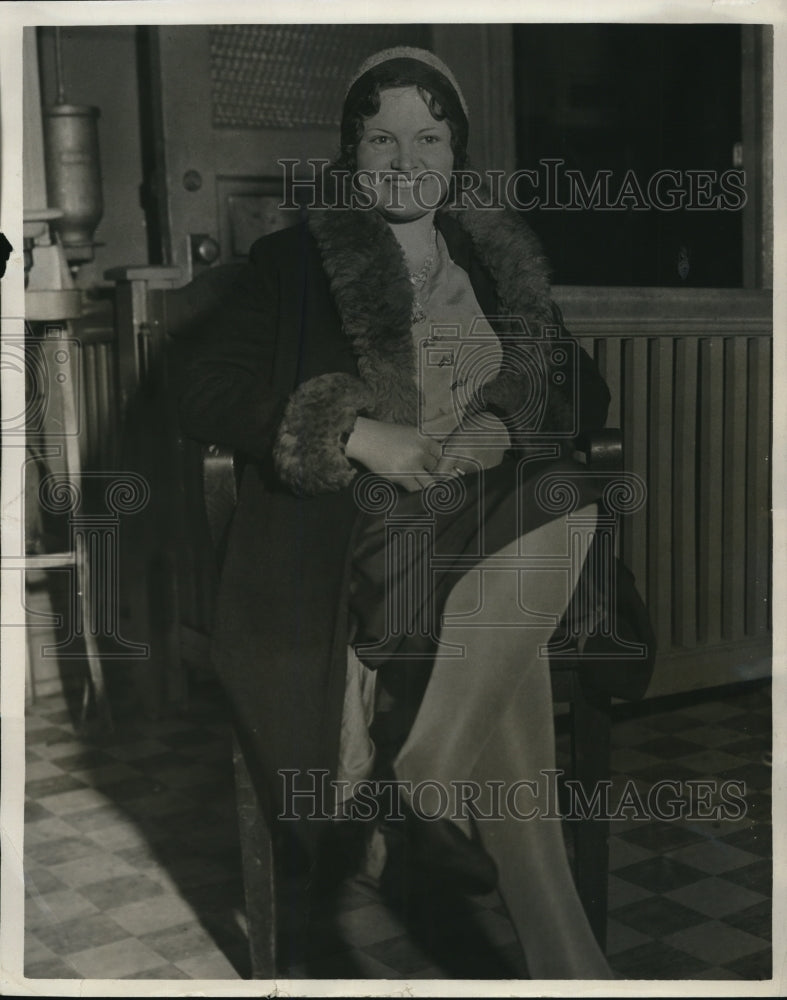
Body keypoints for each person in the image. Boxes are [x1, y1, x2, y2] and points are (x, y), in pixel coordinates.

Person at [179, 47, 617, 979]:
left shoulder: (494, 263)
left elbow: (582, 389)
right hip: (369, 532)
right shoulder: (294, 263)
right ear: (352, 154)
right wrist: (351, 432)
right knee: (545, 540)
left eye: (429, 138)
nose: (406, 161)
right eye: (382, 139)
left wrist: (502, 420)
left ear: (456, 153)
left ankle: (431, 781)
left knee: (554, 502)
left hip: (491, 526)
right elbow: (200, 387)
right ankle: (562, 956)